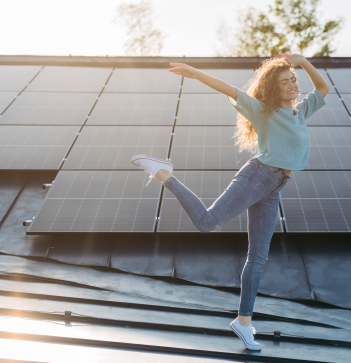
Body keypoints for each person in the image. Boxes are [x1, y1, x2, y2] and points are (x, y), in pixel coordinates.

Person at [131, 52, 329, 350]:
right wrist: (197, 73)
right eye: (284, 82)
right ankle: (164, 174)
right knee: (206, 222)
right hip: (258, 176)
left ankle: (244, 322)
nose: (291, 85)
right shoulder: (265, 111)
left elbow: (323, 88)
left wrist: (301, 61)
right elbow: (229, 89)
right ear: (274, 89)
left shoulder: (300, 112)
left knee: (258, 258)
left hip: (274, 186)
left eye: (293, 80)